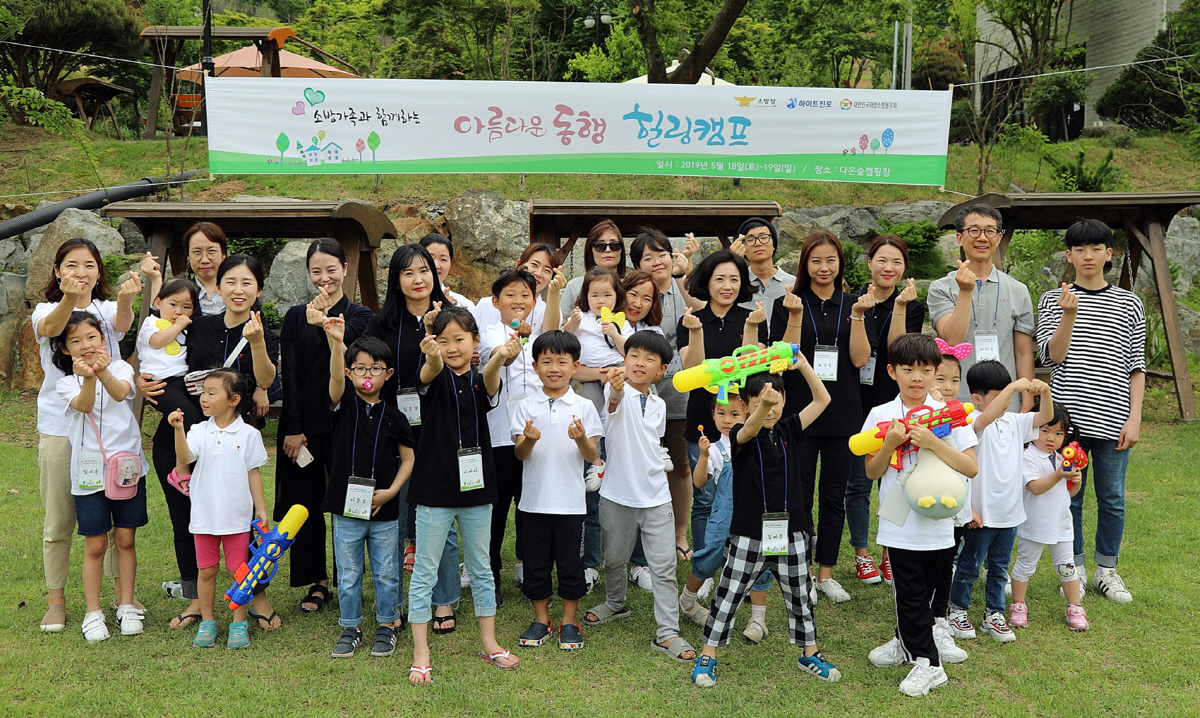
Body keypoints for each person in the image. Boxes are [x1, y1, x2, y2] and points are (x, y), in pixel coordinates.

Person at [692, 366, 838, 687]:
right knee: (728, 594)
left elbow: (823, 398)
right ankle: (708, 656)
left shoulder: (789, 428)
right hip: (748, 533)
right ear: (746, 406)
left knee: (800, 595)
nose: (769, 405)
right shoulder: (739, 433)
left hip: (792, 531)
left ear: (785, 399)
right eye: (758, 400)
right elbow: (749, 429)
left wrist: (802, 366)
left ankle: (809, 653)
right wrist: (763, 408)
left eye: (775, 398)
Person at [407, 306, 523, 683]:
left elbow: (489, 377)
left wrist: (500, 358)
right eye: (444, 340)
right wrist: (430, 353)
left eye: (460, 339)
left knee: (481, 568)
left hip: (477, 489)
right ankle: (421, 650)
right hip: (434, 488)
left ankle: (490, 643)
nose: (452, 347)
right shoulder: (433, 374)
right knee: (425, 571)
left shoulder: (482, 378)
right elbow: (429, 370)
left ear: (475, 342)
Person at [862, 333, 978, 698]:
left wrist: (933, 442)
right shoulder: (881, 414)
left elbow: (970, 467)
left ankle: (906, 640)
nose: (916, 378)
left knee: (926, 594)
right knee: (908, 594)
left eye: (925, 370)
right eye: (907, 370)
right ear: (892, 371)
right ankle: (928, 662)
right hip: (899, 525)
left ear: (936, 372)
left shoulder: (951, 414)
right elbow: (871, 471)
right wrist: (890, 445)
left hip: (940, 521)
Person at [32, 238, 140, 632]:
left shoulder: (106, 309)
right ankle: (56, 598)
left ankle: (120, 596)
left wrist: (128, 299)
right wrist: (69, 299)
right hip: (61, 428)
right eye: (72, 265)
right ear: (58, 271)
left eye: (89, 265)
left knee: (114, 517)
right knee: (60, 518)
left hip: (109, 434)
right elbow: (50, 327)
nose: (81, 272)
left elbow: (123, 323)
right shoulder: (46, 309)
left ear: (99, 271)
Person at [1036, 218, 1144, 604]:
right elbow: (1052, 357)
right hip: (1068, 423)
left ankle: (1107, 571)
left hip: (1115, 418)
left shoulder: (1130, 302)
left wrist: (1135, 417)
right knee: (1071, 495)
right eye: (1079, 249)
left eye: (1095, 248)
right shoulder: (1053, 299)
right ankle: (1075, 568)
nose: (1087, 256)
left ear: (1108, 254)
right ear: (1069, 254)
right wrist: (1068, 313)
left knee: (1112, 497)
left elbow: (1136, 365)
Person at [584, 331, 698, 663]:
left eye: (650, 359)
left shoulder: (660, 404)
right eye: (634, 355)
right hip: (617, 495)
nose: (639, 363)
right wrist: (617, 388)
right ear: (624, 359)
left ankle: (667, 634)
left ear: (662, 370)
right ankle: (615, 603)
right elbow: (615, 401)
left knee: (663, 567)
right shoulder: (615, 389)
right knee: (615, 558)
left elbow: (652, 443)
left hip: (657, 497)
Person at [363, 244, 459, 624]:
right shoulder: (383, 322)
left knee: (439, 515)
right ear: (396, 280)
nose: (418, 279)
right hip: (394, 426)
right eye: (408, 273)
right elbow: (368, 368)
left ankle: (444, 600)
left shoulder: (451, 316)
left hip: (441, 425)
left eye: (424, 270)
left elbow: (466, 362)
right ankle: (394, 605)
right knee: (394, 520)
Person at [276, 239, 374, 614]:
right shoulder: (294, 316)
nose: (324, 278)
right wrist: (293, 425)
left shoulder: (362, 315)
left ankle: (348, 575)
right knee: (306, 500)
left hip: (347, 422)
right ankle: (316, 580)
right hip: (305, 424)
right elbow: (291, 373)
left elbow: (356, 358)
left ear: (345, 270)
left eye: (331, 269)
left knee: (349, 501)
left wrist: (325, 326)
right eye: (316, 271)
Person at [770, 231, 868, 602]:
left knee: (834, 496)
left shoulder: (855, 303)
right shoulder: (789, 302)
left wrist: (858, 317)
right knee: (800, 495)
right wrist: (794, 316)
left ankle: (827, 572)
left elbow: (860, 360)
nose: (824, 268)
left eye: (831, 260)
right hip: (801, 413)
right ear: (804, 264)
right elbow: (782, 360)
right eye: (816, 261)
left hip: (844, 412)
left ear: (840, 262)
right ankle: (803, 572)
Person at [322, 322, 416, 657]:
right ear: (350, 372)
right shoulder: (342, 406)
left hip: (385, 511)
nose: (368, 375)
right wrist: (336, 342)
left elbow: (409, 458)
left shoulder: (395, 417)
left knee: (387, 573)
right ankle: (350, 626)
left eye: (375, 369)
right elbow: (334, 381)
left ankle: (387, 624)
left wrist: (392, 491)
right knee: (348, 575)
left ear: (388, 374)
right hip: (346, 509)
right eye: (360, 368)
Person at [53, 312, 148, 641]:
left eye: (91, 337)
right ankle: (93, 612)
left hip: (127, 468)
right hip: (89, 474)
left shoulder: (121, 368)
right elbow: (83, 404)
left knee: (125, 539)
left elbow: (122, 393)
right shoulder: (66, 382)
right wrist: (89, 378)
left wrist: (102, 370)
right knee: (94, 544)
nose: (85, 346)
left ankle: (126, 605)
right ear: (66, 350)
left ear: (103, 339)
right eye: (75, 341)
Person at [678, 250, 767, 594]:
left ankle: (739, 568)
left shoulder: (753, 316)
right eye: (720, 278)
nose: (727, 286)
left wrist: (750, 328)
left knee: (745, 499)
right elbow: (693, 372)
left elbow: (750, 369)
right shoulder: (691, 317)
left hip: (744, 423)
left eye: (734, 279)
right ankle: (705, 569)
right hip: (703, 419)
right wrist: (696, 332)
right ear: (706, 282)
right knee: (704, 499)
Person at [948, 363, 1054, 644]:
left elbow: (1047, 416)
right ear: (977, 398)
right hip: (982, 514)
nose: (1006, 402)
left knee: (999, 568)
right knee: (970, 565)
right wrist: (1014, 387)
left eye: (1008, 396)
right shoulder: (971, 423)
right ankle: (958, 610)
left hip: (1010, 514)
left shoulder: (1016, 422)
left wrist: (1045, 392)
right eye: (998, 396)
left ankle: (993, 614)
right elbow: (986, 420)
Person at [510, 330, 602, 650]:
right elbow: (520, 455)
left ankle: (569, 621)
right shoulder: (525, 406)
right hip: (533, 503)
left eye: (562, 361)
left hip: (571, 505)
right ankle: (541, 619)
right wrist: (530, 439)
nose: (554, 368)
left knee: (570, 565)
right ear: (535, 366)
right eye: (546, 361)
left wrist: (579, 438)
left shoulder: (585, 406)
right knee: (535, 564)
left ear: (575, 366)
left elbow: (592, 456)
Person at [168, 369, 269, 649]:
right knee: (207, 571)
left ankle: (239, 622)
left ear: (234, 399)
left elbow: (253, 473)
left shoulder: (249, 434)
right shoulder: (198, 430)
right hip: (204, 516)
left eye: (212, 392)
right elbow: (186, 457)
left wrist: (260, 509)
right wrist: (178, 431)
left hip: (236, 518)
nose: (204, 398)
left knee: (240, 572)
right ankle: (208, 621)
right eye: (203, 392)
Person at [846, 235, 926, 587]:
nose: (888, 268)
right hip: (857, 401)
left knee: (896, 481)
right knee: (859, 483)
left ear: (905, 269)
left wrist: (900, 308)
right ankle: (862, 555)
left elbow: (898, 351)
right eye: (882, 260)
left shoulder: (912, 305)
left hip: (895, 404)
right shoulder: (853, 302)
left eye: (896, 262)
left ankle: (889, 554)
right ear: (869, 263)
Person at [626, 228, 701, 591]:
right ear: (637, 265)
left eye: (663, 254)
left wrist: (684, 277)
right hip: (637, 400)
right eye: (648, 257)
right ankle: (635, 550)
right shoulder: (633, 297)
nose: (658, 262)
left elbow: (702, 310)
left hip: (678, 397)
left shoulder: (681, 289)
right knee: (642, 470)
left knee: (681, 466)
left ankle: (679, 533)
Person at [678, 394, 775, 643]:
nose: (727, 420)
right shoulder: (715, 449)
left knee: (761, 560)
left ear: (747, 415)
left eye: (734, 414)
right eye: (721, 414)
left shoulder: (757, 442)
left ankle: (758, 618)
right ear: (712, 416)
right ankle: (687, 601)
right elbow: (699, 483)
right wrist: (702, 455)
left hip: (755, 516)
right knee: (710, 555)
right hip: (724, 517)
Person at [477, 268, 544, 606]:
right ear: (496, 301)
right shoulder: (490, 333)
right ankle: (489, 576)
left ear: (535, 300)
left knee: (531, 510)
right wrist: (517, 339)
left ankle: (534, 576)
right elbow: (500, 355)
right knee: (497, 510)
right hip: (501, 438)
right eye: (510, 295)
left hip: (534, 437)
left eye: (525, 296)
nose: (518, 301)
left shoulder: (543, 338)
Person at [927, 204, 1036, 411]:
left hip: (1005, 402)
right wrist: (965, 291)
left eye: (989, 231)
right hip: (955, 401)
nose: (982, 238)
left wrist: (1026, 401)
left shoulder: (1018, 290)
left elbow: (1023, 352)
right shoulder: (941, 288)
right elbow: (953, 339)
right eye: (974, 230)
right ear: (959, 237)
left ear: (999, 237)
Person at [1009, 404, 1088, 632]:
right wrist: (1057, 475)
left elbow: (1067, 493)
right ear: (1032, 428)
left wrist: (1076, 484)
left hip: (1062, 524)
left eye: (1058, 433)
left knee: (1067, 567)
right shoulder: (1028, 457)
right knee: (1025, 566)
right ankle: (1019, 605)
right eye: (1045, 431)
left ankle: (1075, 607)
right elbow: (1034, 487)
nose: (1051, 438)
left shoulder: (1061, 457)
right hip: (1034, 524)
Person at [136, 278, 201, 427]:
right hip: (160, 383)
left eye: (186, 307)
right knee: (190, 420)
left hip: (182, 380)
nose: (178, 311)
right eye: (173, 304)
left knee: (193, 417)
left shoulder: (184, 330)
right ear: (158, 303)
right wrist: (179, 325)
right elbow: (158, 341)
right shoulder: (151, 323)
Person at [564, 267, 629, 408]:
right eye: (595, 296)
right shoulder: (581, 317)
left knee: (620, 404)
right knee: (590, 407)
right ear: (586, 296)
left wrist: (615, 335)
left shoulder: (620, 321)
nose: (601, 301)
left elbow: (629, 351)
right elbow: (565, 338)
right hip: (589, 373)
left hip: (617, 369)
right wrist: (573, 322)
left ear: (617, 295)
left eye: (607, 295)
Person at [475, 243, 565, 334]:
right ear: (519, 265)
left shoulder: (549, 311)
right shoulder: (485, 305)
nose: (538, 273)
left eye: (547, 270)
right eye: (534, 264)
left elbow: (550, 338)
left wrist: (554, 292)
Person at [731, 217, 795, 325]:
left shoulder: (793, 284)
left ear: (774, 244)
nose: (758, 243)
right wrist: (732, 260)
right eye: (750, 240)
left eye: (764, 237)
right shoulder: (735, 284)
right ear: (743, 248)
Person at [560, 219, 626, 313]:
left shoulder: (630, 285)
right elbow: (563, 321)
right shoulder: (575, 286)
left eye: (614, 245)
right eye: (600, 246)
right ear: (590, 250)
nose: (608, 250)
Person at [419, 233, 473, 307]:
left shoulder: (463, 305)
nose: (436, 265)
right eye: (430, 258)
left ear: (450, 264)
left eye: (443, 259)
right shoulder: (403, 301)